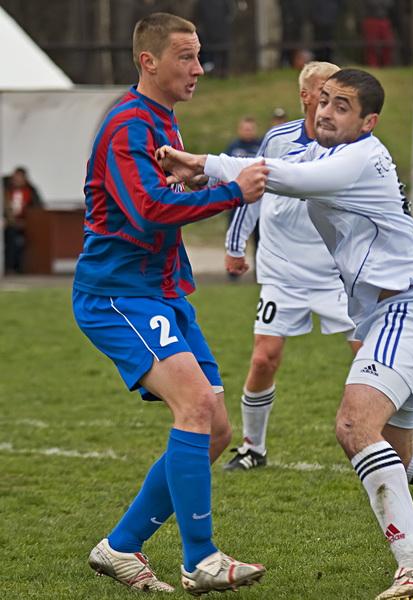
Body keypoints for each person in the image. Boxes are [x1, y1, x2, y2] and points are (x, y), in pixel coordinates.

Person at [159, 68, 413, 598]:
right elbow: (269, 167)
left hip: (410, 309)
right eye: (323, 101)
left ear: (368, 121)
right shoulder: (323, 152)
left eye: (342, 105)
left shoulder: (363, 156)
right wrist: (205, 172)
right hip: (392, 313)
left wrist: (202, 164)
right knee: (402, 449)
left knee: (353, 426)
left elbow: (291, 180)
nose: (326, 111)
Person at [71, 13, 267, 594]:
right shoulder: (128, 125)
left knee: (215, 430)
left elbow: (162, 197)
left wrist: (198, 180)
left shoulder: (163, 123)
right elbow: (148, 210)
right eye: (186, 56)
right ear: (148, 61)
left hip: (162, 292)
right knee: (196, 408)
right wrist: (231, 193)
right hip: (117, 294)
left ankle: (120, 546)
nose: (199, 68)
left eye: (199, 55)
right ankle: (200, 558)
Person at [223, 61, 413, 471]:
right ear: (305, 97)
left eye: (337, 100)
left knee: (371, 354)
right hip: (282, 270)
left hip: (335, 275)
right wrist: (235, 242)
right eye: (318, 94)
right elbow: (251, 187)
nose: (324, 106)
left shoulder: (354, 152)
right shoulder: (279, 139)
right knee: (263, 358)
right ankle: (252, 447)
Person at [224, 116, 262, 279]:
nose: (248, 131)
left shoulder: (261, 147)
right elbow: (224, 171)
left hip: (258, 201)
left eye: (250, 128)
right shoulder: (233, 148)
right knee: (235, 234)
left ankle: (259, 273)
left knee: (259, 240)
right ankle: (233, 271)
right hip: (237, 201)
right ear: (240, 130)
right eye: (245, 128)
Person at [3, 166, 42, 274]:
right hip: (8, 224)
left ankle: (20, 268)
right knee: (11, 236)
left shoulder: (30, 191)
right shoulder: (5, 190)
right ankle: (9, 267)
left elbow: (37, 208)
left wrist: (26, 222)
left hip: (25, 224)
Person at [362, 0, 395, 67]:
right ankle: (373, 66)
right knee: (372, 45)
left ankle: (386, 66)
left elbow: (390, 4)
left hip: (384, 19)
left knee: (388, 44)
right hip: (371, 19)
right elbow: (371, 3)